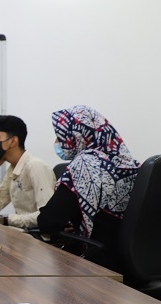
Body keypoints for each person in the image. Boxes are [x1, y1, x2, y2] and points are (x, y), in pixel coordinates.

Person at [37, 105, 140, 278]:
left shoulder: (85, 164)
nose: (58, 141)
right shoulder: (130, 163)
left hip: (100, 268)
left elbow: (47, 222)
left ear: (77, 134)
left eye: (60, 135)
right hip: (135, 266)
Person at [0, 115, 56, 228]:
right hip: (21, 232)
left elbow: (47, 215)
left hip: (37, 236)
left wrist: (8, 220)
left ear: (13, 141)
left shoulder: (35, 166)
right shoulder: (13, 169)